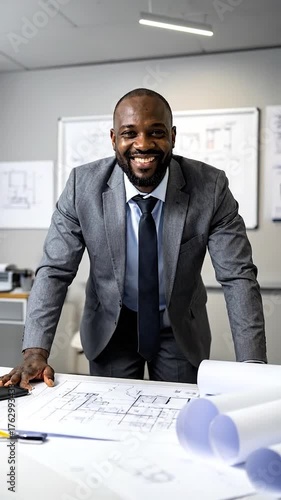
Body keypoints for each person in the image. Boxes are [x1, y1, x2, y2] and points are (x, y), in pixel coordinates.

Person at [0, 88, 267, 390]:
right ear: (113, 139)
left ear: (173, 136)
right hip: (111, 329)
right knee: (110, 420)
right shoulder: (82, 187)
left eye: (156, 132)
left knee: (176, 420)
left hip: (178, 328)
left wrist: (253, 365)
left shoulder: (211, 187)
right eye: (130, 133)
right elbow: (55, 271)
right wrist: (35, 351)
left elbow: (238, 276)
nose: (143, 144)